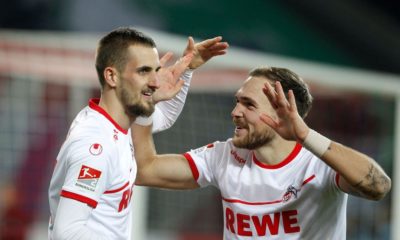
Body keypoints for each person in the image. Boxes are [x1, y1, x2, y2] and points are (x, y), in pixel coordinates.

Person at [132, 66, 392, 239]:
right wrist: (146, 105)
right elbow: (145, 170)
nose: (235, 112)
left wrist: (306, 135)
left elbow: (379, 186)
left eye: (249, 104)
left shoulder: (318, 163)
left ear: (281, 114)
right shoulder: (225, 155)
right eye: (237, 101)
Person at [47, 26, 229, 240]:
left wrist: (187, 71)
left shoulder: (114, 122)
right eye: (144, 71)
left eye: (156, 70)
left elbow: (163, 118)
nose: (154, 82)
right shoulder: (96, 145)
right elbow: (67, 232)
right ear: (112, 76)